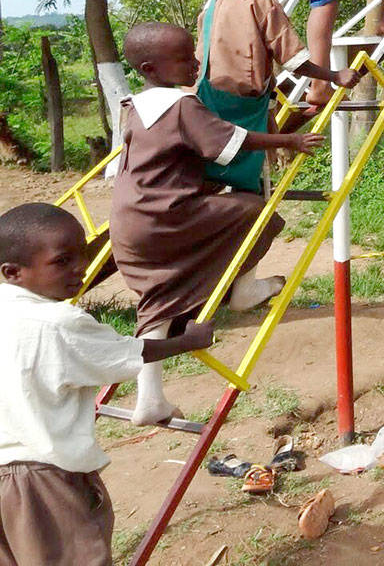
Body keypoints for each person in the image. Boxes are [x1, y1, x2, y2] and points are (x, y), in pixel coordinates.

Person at [109, 22, 324, 425]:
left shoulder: (134, 105)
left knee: (158, 300)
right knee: (256, 211)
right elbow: (229, 140)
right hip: (166, 217)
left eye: (194, 54)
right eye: (183, 59)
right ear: (151, 68)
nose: (194, 64)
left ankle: (149, 399)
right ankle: (243, 289)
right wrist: (289, 141)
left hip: (130, 222)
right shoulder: (181, 106)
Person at [0, 203, 214, 566]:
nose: (80, 268)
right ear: (13, 272)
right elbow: (127, 351)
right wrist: (188, 341)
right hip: (39, 479)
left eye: (82, 255)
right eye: (62, 261)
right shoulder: (59, 323)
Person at [197, 0, 362, 180]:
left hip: (207, 104)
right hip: (245, 108)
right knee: (251, 179)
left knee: (216, 174)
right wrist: (333, 76)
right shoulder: (262, 1)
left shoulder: (212, 5)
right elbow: (293, 60)